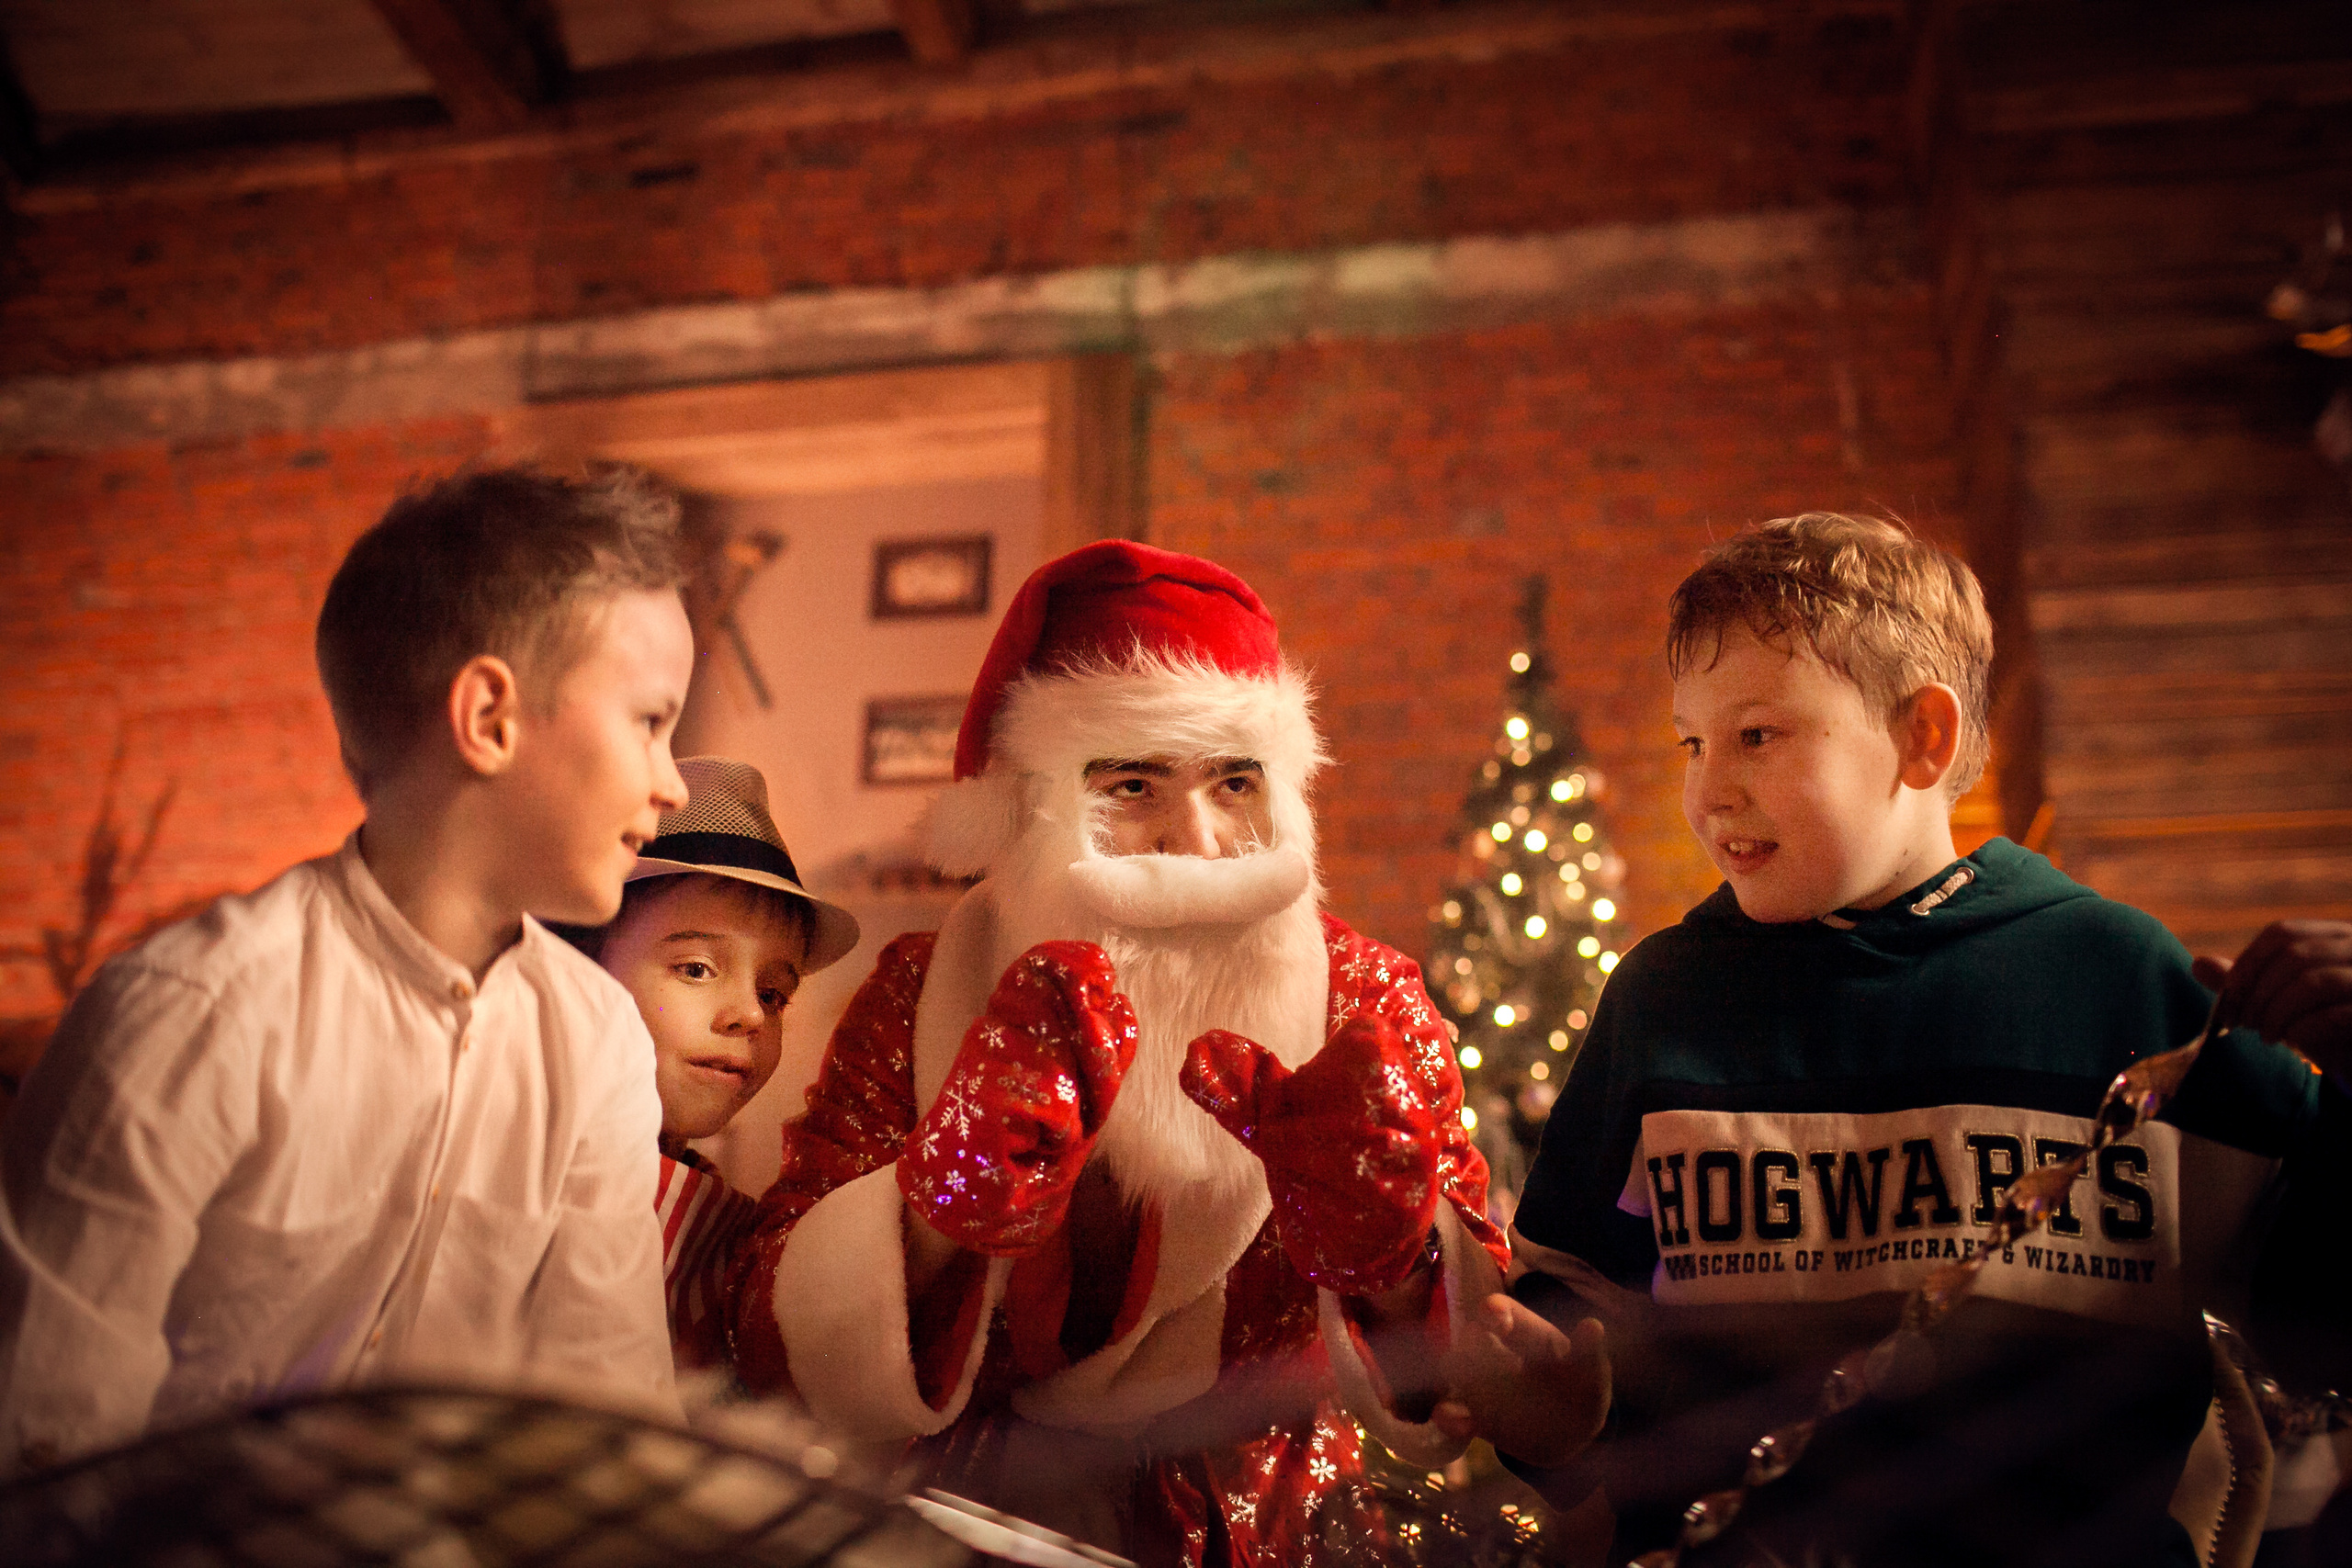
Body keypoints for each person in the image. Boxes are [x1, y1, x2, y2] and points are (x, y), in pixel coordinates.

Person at [1442, 513, 2348, 1567]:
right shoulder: (1664, 1000)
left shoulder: (2125, 984)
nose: (1708, 788)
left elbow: (2321, 1319)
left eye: (1758, 736)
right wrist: (1545, 1397)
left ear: (1924, 737)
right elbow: (1572, 1336)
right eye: (1693, 741)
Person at [727, 541, 1506, 1564]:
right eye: (1133, 784)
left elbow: (1484, 1378)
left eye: (1235, 782)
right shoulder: (925, 991)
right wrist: (934, 1208)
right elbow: (762, 1337)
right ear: (1030, 811)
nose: (1198, 841)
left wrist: (1397, 1261)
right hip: (957, 1529)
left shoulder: (1363, 1000)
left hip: (1274, 1534)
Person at [0, 467, 695, 1472]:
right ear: (490, 717)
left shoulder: (595, 1042)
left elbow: (608, 1425)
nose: (675, 783)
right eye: (651, 720)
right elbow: (47, 1455)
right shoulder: (191, 1018)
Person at [566, 755, 860, 1373]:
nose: (750, 1015)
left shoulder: (722, 1233)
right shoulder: (524, 1183)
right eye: (696, 968)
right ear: (578, 970)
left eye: (773, 993)